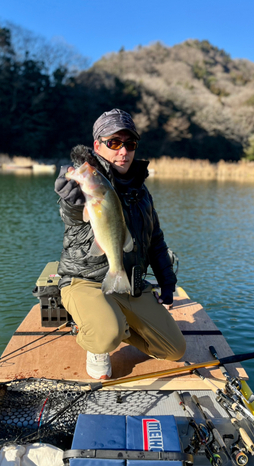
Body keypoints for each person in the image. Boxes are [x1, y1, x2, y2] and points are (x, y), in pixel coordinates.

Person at [54, 108, 186, 379]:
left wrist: (167, 281)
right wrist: (72, 200)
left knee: (175, 349)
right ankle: (97, 339)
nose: (122, 151)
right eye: (113, 143)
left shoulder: (142, 193)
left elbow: (155, 241)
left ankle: (117, 325)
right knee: (105, 333)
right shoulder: (86, 182)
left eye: (129, 144)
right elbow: (72, 213)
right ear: (97, 146)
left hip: (126, 281)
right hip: (84, 280)